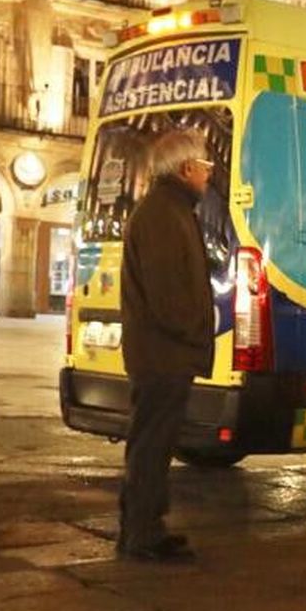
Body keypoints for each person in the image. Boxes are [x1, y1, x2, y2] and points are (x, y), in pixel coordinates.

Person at [118, 130, 218, 562]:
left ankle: (144, 527)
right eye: (206, 166)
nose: (209, 175)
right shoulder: (163, 214)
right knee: (151, 445)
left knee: (154, 444)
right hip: (164, 354)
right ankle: (142, 533)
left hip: (165, 352)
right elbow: (168, 295)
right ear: (186, 168)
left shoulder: (170, 209)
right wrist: (194, 331)